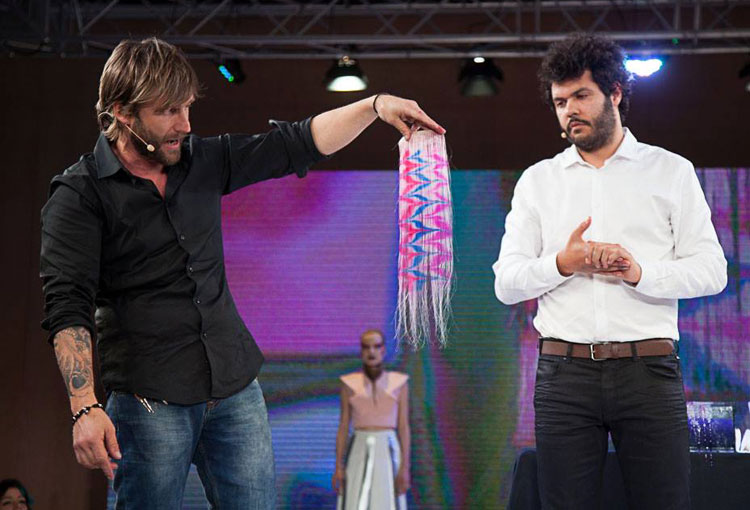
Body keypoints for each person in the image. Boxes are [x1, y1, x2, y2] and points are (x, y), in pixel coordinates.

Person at [40, 37, 443, 509]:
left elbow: (297, 142)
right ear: (122, 113)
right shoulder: (80, 194)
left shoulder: (201, 159)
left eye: (187, 108)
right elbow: (68, 305)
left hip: (234, 392)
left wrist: (375, 106)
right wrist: (84, 406)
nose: (185, 124)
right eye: (168, 111)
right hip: (150, 402)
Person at [493, 34, 727, 510]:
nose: (569, 111)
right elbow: (506, 282)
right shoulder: (538, 181)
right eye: (560, 102)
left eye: (581, 96)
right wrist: (565, 263)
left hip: (649, 371)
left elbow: (712, 271)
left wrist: (640, 272)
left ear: (615, 92)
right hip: (564, 375)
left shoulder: (670, 171)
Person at [332, 329, 410, 510]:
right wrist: (338, 466)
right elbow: (343, 426)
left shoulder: (399, 383)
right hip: (359, 447)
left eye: (376, 346)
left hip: (388, 448)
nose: (371, 351)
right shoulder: (349, 383)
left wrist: (405, 467)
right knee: (355, 500)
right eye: (366, 347)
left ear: (383, 350)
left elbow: (403, 427)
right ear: (361, 351)